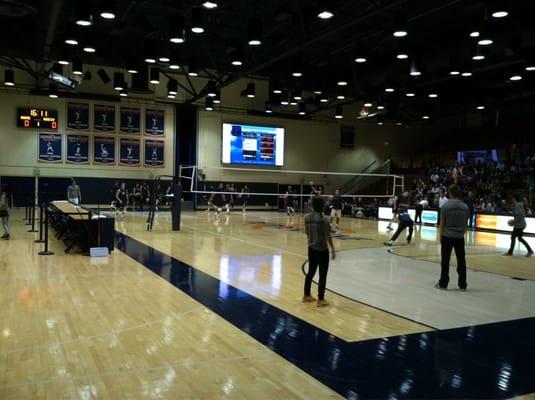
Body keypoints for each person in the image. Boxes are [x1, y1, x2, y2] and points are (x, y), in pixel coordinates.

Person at [303, 196, 336, 307]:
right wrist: (333, 249)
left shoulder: (306, 217)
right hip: (322, 250)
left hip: (311, 248)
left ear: (312, 204)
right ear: (322, 205)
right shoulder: (325, 219)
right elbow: (328, 235)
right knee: (322, 275)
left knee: (310, 273)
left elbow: (307, 233)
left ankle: (306, 295)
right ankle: (320, 299)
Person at [436, 184, 469, 291]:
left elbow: (442, 223)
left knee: (445, 261)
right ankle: (462, 284)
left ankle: (443, 283)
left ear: (450, 193)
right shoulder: (465, 207)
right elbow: (466, 224)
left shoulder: (446, 206)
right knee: (461, 261)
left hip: (447, 236)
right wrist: (461, 233)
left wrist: (441, 237)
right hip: (459, 237)